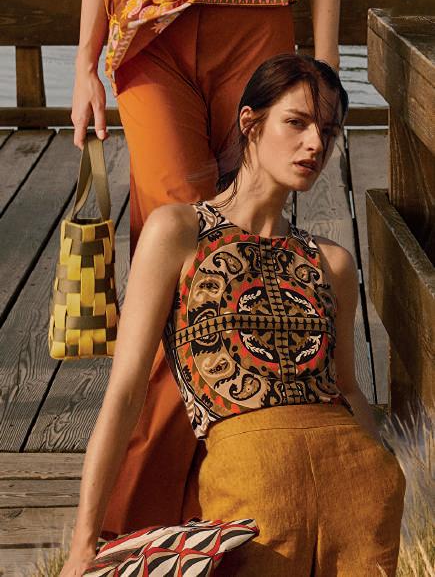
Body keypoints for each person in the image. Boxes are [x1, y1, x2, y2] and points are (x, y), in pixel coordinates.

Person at [61, 55, 406, 576]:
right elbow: (127, 392)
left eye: (328, 131)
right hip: (251, 487)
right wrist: (83, 542)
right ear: (251, 122)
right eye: (297, 122)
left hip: (360, 492)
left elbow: (348, 389)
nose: (315, 143)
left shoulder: (331, 261)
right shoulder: (179, 232)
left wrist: (385, 473)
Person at [71, 0, 343, 535]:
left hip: (255, 11)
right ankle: (136, 523)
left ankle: (229, 503)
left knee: (239, 254)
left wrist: (324, 63)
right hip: (146, 22)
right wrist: (85, 60)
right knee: (180, 254)